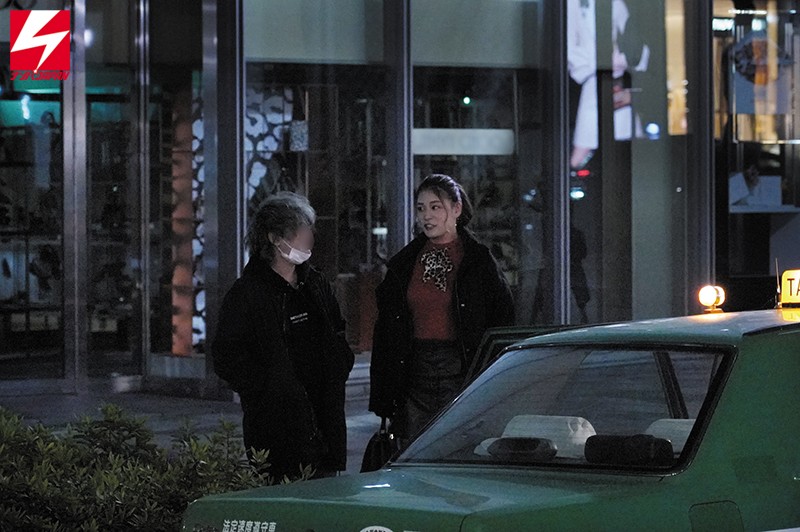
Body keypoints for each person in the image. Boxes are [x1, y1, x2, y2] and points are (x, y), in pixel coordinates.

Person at [212, 192, 354, 480]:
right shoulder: (248, 294)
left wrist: (340, 365)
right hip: (277, 430)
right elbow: (227, 357)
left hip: (325, 421)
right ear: (276, 238)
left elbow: (337, 332)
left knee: (326, 492)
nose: (309, 237)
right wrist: (269, 388)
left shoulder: (315, 283)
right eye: (301, 230)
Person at [369, 174, 515, 442]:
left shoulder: (478, 261)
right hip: (413, 369)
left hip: (462, 367)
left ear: (456, 209)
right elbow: (386, 328)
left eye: (435, 207)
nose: (427, 216)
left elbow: (502, 318)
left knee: (458, 443)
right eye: (421, 208)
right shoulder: (405, 263)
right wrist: (383, 393)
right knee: (415, 448)